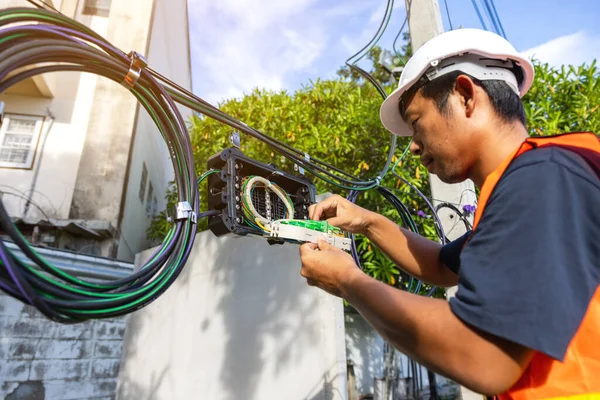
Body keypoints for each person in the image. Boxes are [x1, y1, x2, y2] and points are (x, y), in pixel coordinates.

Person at [298, 28, 600, 399]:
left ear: (465, 95)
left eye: (416, 122)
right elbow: (441, 266)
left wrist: (349, 281)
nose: (412, 146)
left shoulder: (543, 177)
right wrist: (367, 221)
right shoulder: (527, 183)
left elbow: (485, 356)